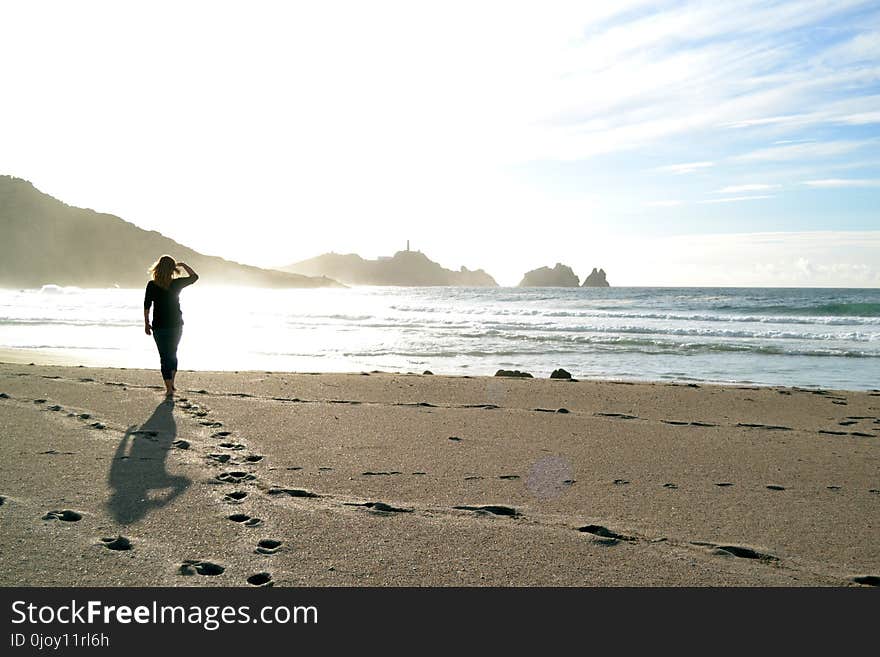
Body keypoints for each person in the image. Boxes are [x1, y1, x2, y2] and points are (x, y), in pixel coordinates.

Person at [143, 255, 199, 396]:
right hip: (175, 325)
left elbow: (147, 305)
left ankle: (169, 388)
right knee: (172, 354)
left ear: (158, 268)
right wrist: (184, 265)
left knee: (164, 356)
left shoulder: (152, 284)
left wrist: (146, 323)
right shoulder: (176, 283)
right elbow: (194, 277)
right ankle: (171, 384)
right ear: (172, 269)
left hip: (159, 326)